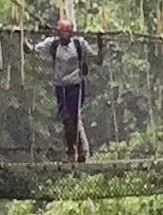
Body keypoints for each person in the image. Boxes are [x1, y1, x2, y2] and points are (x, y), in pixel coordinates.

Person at [25, 16, 104, 162]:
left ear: (71, 32)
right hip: (60, 86)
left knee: (73, 117)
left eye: (66, 31)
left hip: (76, 85)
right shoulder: (53, 44)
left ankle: (74, 150)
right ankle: (76, 148)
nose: (63, 34)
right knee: (66, 118)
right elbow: (32, 50)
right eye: (61, 30)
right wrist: (23, 38)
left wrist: (100, 44)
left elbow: (97, 59)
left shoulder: (79, 44)